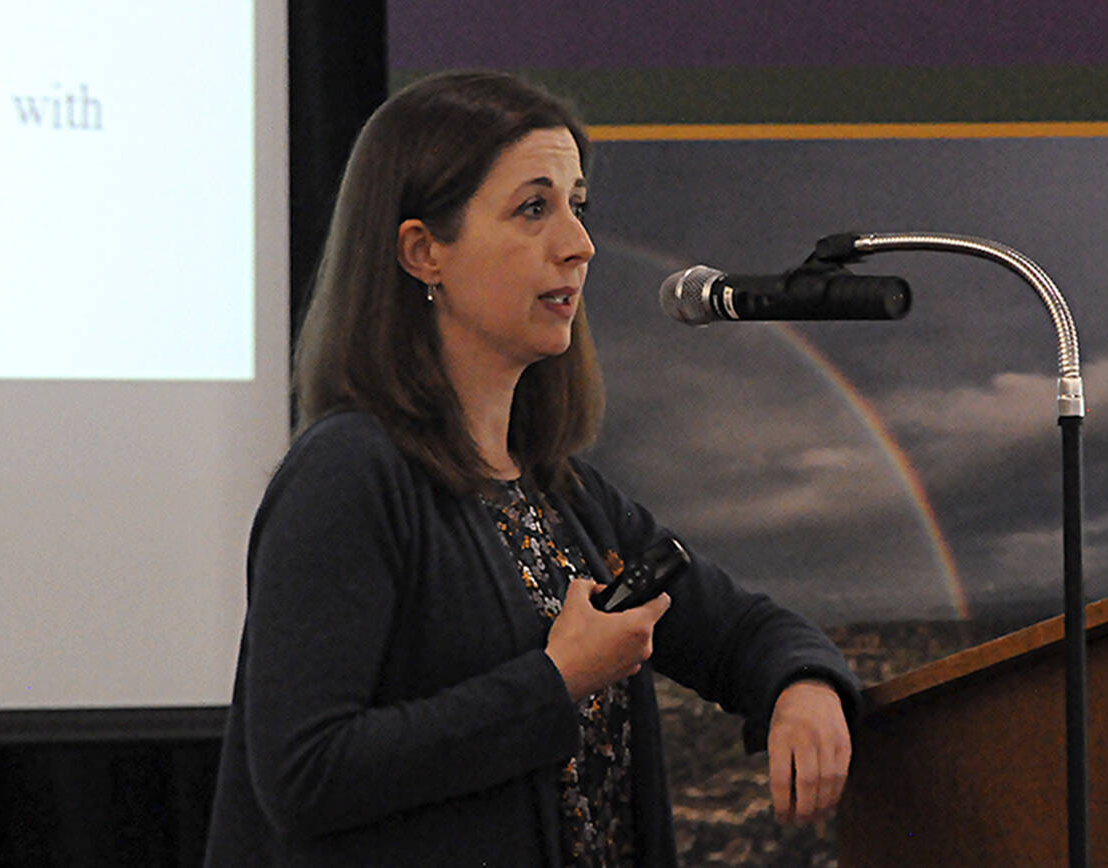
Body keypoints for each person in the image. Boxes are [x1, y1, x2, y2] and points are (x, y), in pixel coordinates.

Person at [204, 70, 862, 867]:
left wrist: (803, 684)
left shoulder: (563, 496)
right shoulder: (349, 472)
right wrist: (555, 681)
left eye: (576, 205)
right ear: (423, 251)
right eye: (533, 208)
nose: (579, 244)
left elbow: (744, 631)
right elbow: (303, 774)